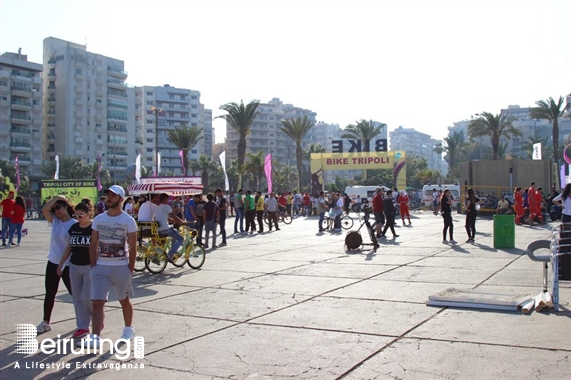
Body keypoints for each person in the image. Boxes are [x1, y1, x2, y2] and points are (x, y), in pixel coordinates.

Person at [86, 185, 138, 349]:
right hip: (101, 267)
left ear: (121, 199)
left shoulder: (128, 221)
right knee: (97, 303)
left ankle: (128, 329)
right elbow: (93, 243)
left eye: (113, 196)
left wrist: (129, 269)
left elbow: (133, 246)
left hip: (121, 267)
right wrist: (94, 266)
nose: (109, 198)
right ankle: (95, 336)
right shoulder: (99, 219)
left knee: (124, 300)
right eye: (108, 195)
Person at [37, 195, 77, 333]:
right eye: (54, 210)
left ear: (66, 206)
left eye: (58, 207)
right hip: (53, 262)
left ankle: (84, 320)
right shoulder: (55, 221)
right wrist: (57, 198)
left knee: (75, 294)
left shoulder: (74, 224)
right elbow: (44, 209)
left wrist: (62, 199)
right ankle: (46, 322)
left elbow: (72, 246)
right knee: (50, 293)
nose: (56, 211)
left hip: (68, 265)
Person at [56, 200, 94, 339]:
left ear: (89, 213)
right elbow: (69, 247)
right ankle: (83, 326)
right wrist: (61, 264)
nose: (78, 219)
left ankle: (97, 318)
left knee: (87, 297)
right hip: (74, 266)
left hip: (90, 267)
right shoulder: (73, 228)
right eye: (76, 215)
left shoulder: (95, 228)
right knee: (77, 298)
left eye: (81, 215)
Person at [155, 193, 185, 259]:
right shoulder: (167, 207)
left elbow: (168, 219)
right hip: (165, 230)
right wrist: (182, 222)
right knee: (181, 239)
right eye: (168, 199)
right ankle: (170, 254)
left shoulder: (158, 207)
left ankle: (172, 249)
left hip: (158, 230)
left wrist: (177, 221)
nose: (168, 201)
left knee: (174, 234)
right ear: (165, 199)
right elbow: (174, 216)